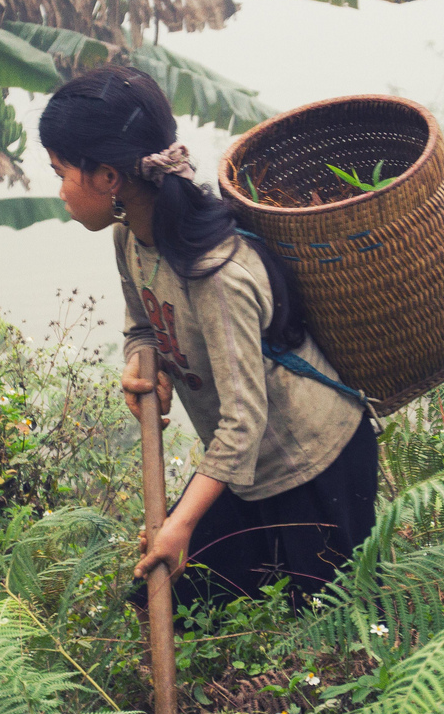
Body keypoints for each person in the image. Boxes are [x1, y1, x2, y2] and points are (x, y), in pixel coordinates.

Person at [37, 66, 378, 610]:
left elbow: (245, 422)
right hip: (246, 475)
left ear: (107, 178)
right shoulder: (131, 236)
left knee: (329, 636)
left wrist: (179, 525)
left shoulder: (218, 277)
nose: (59, 192)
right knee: (168, 605)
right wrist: (140, 362)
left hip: (316, 462)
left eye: (60, 172)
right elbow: (144, 324)